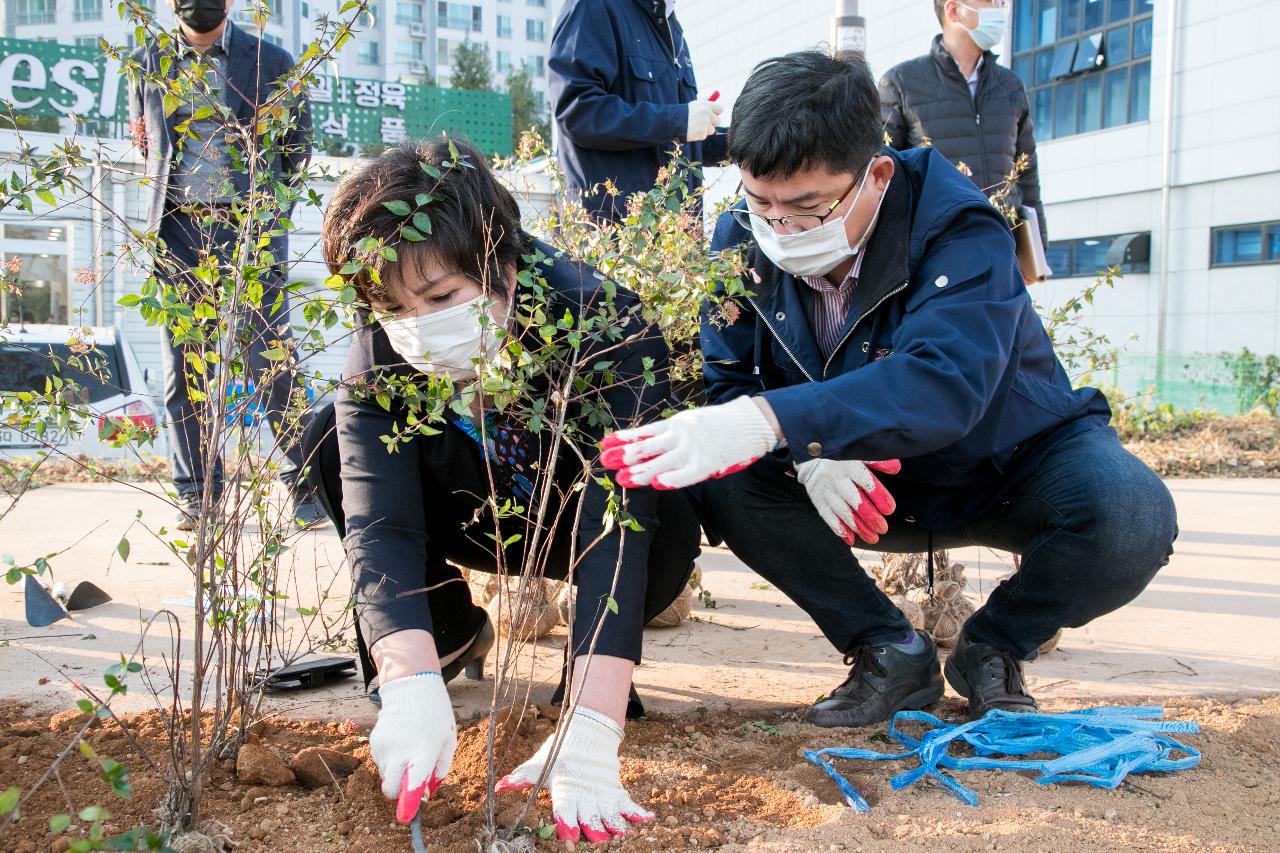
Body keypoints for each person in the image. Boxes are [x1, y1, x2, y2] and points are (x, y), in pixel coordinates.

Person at [602, 51, 1178, 727]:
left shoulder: (958, 229)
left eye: (808, 207)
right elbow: (729, 380)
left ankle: (994, 646)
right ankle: (888, 648)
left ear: (876, 173)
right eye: (761, 202)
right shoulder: (740, 240)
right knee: (720, 471)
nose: (780, 229)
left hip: (1001, 465)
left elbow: (943, 382)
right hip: (863, 490)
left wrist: (782, 422)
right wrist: (808, 454)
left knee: (1131, 515)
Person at [302, 138, 702, 843]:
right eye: (393, 307)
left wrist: (592, 718)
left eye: (441, 298)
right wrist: (407, 679)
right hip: (475, 515)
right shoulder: (379, 351)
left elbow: (620, 521)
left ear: (504, 269)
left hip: (584, 523)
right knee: (326, 437)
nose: (418, 328)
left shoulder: (605, 324)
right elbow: (382, 526)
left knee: (664, 514)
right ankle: (450, 632)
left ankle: (594, 670)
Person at [128, 0, 326, 529]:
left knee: (270, 362)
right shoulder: (148, 61)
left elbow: (298, 146)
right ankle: (199, 494)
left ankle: (307, 482)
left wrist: (263, 207)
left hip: (248, 231)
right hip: (175, 229)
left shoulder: (272, 61)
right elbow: (144, 141)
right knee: (186, 370)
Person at [879, 0, 1049, 248]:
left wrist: (1036, 248)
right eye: (992, 2)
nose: (1001, 9)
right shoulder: (901, 84)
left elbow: (1027, 174)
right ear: (953, 10)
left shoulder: (1010, 85)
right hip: (938, 249)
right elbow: (883, 180)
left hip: (1002, 245)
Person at [549, 0, 728, 223]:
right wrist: (678, 121)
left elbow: (671, 139)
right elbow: (577, 110)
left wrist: (739, 143)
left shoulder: (670, 26)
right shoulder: (594, 6)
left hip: (671, 238)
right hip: (610, 239)